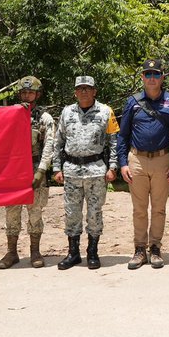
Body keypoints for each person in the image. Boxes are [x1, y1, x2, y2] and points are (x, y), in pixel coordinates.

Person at [38, 75, 119, 270]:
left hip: (96, 170)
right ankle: (73, 253)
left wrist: (113, 167)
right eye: (80, 88)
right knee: (72, 213)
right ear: (75, 92)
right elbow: (58, 142)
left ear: (94, 91)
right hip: (71, 170)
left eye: (87, 88)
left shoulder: (106, 111)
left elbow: (114, 141)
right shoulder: (67, 112)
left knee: (94, 213)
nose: (84, 91)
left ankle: (92, 252)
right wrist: (56, 168)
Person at [117, 59, 169, 270]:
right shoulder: (132, 102)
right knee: (139, 209)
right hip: (136, 160)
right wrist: (123, 163)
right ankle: (139, 249)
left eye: (156, 74)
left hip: (163, 160)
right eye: (148, 74)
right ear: (142, 77)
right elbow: (122, 135)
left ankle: (155, 248)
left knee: (159, 208)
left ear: (162, 77)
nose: (152, 78)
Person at [0, 75, 54, 269]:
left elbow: (49, 146)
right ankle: (11, 252)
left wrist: (41, 170)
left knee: (35, 212)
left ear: (37, 95)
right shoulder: (10, 115)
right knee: (11, 211)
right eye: (23, 92)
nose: (26, 95)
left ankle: (35, 251)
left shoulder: (44, 118)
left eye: (30, 92)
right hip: (13, 171)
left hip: (34, 168)